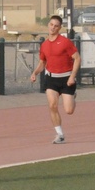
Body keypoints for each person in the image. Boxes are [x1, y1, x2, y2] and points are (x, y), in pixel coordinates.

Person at [29, 15, 80, 144]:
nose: (53, 27)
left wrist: (72, 76)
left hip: (66, 79)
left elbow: (77, 58)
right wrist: (35, 72)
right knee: (52, 106)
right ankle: (60, 134)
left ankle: (72, 95)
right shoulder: (44, 45)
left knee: (69, 111)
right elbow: (42, 62)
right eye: (51, 24)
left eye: (56, 26)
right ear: (48, 25)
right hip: (51, 79)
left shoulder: (65, 42)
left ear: (59, 28)